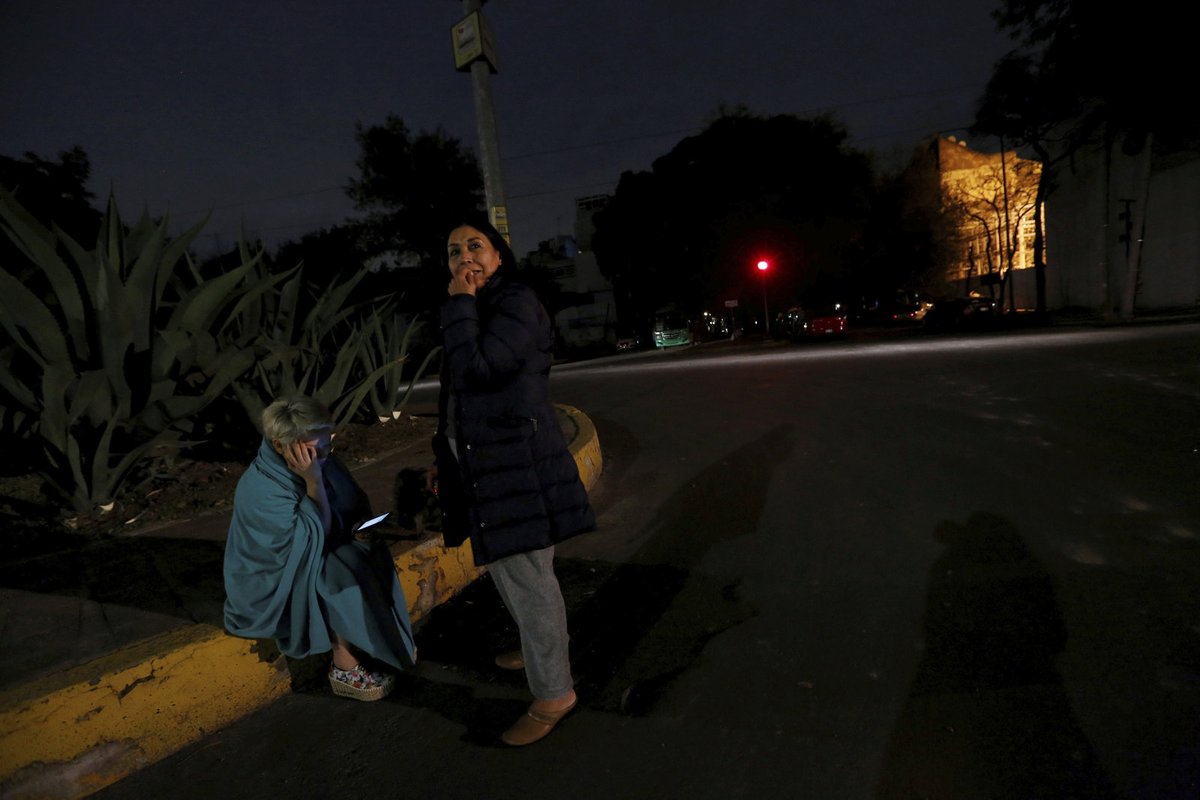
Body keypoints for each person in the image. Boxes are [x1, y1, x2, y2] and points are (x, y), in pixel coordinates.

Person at [431, 214, 596, 746]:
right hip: (488, 462)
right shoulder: (481, 307)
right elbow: (461, 394)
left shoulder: (514, 302)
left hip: (514, 463)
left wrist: (458, 305)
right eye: (454, 252)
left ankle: (554, 692)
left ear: (500, 256)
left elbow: (482, 370)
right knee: (510, 567)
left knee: (527, 576)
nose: (464, 259)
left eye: (475, 246)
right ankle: (535, 648)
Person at [223, 395, 416, 701]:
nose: (325, 454)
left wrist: (358, 526)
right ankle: (344, 664)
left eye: (328, 445)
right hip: (272, 579)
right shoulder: (261, 488)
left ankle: (376, 640)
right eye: (316, 449)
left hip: (317, 551)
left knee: (360, 553)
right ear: (279, 445)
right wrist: (313, 482)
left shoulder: (319, 458)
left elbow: (349, 505)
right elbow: (301, 545)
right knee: (336, 569)